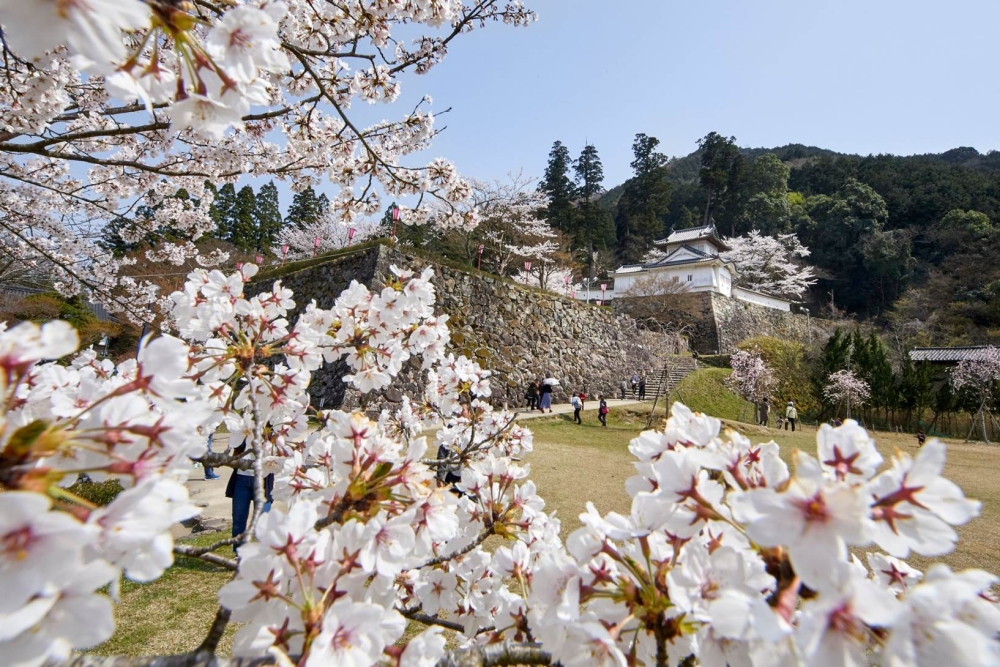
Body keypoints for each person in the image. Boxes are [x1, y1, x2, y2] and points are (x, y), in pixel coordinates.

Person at [225, 439, 274, 543]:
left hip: (263, 481)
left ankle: (262, 553)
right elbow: (233, 459)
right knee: (239, 519)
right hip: (241, 479)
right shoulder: (242, 436)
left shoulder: (272, 434)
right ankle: (239, 553)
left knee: (263, 518)